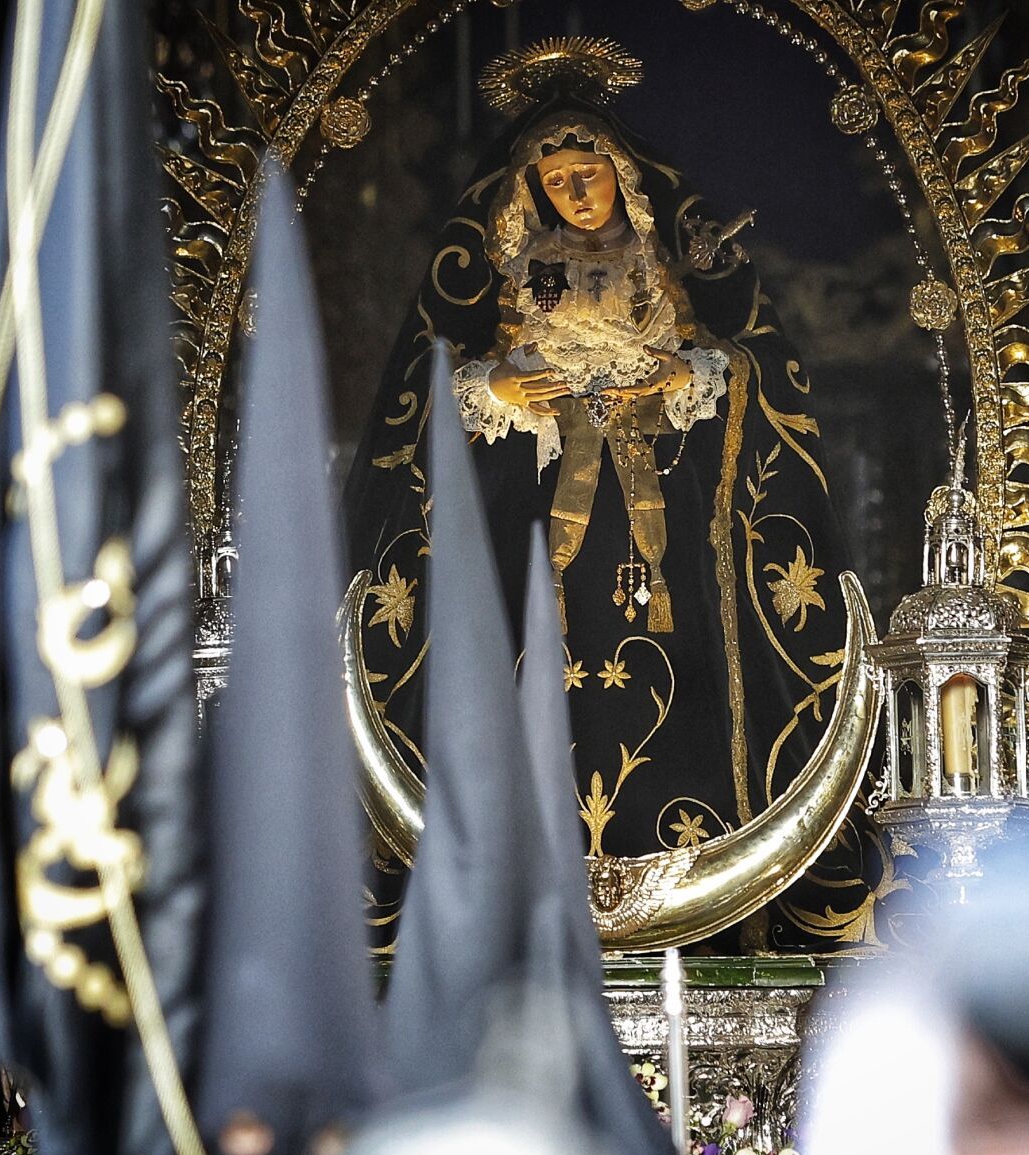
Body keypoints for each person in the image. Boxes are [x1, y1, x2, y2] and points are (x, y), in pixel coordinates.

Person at [345, 39, 883, 951]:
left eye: (586, 173)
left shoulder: (664, 268)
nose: (574, 194)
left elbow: (752, 371)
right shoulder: (530, 270)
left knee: (679, 710)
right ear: (531, 194)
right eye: (554, 182)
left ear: (619, 175)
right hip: (540, 540)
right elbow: (444, 399)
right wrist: (499, 390)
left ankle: (697, 899)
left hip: (664, 543)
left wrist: (679, 378)